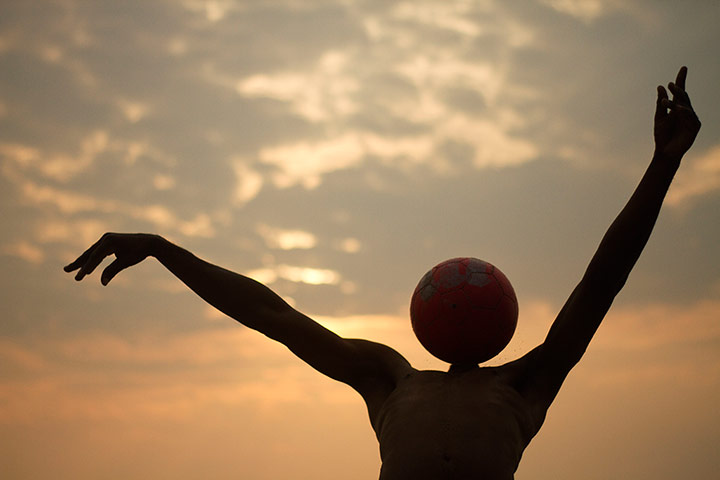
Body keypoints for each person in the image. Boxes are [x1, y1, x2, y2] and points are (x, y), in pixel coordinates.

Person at [64, 67, 701, 480]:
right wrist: (164, 248)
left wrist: (663, 167)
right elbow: (272, 315)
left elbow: (602, 282)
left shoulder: (526, 384)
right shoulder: (388, 379)